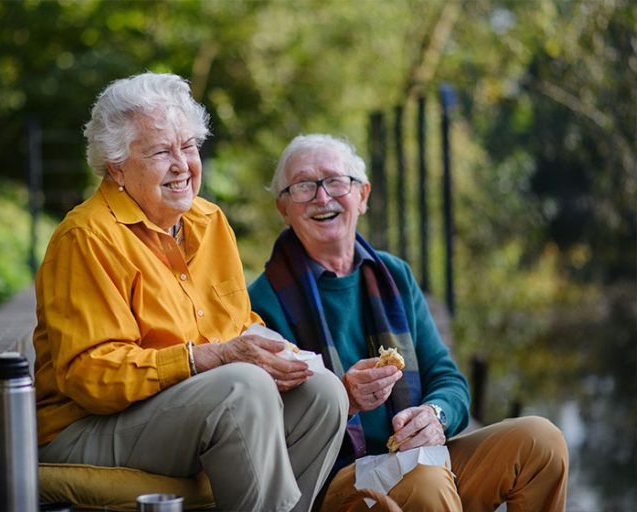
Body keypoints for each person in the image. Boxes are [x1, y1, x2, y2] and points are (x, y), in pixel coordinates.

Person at [32, 75, 349, 512]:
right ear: (116, 166)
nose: (182, 164)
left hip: (188, 410)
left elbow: (234, 325)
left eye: (189, 146)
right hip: (85, 427)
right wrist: (206, 358)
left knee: (324, 393)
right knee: (244, 388)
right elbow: (91, 377)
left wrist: (274, 349)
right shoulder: (86, 238)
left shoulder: (210, 221)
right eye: (162, 151)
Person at [248, 134, 569, 512]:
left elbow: (447, 379)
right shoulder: (262, 300)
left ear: (363, 196)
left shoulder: (394, 275)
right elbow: (272, 429)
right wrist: (344, 400)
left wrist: (436, 416)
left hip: (420, 460)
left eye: (336, 181)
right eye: (303, 186)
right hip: (332, 482)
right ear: (283, 208)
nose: (322, 197)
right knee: (425, 484)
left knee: (541, 442)